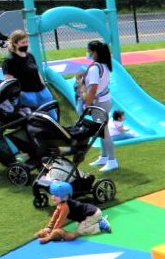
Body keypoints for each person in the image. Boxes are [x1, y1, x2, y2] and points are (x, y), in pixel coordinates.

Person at [1, 30, 56, 120]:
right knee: (36, 119)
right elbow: (10, 82)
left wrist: (43, 85)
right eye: (23, 42)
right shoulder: (9, 61)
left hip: (41, 91)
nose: (25, 44)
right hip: (27, 93)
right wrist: (22, 94)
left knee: (52, 116)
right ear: (15, 44)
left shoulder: (29, 56)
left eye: (26, 42)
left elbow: (36, 71)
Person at [81, 40, 118, 171]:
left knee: (104, 131)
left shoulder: (95, 68)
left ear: (94, 52)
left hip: (100, 102)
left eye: (89, 51)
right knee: (100, 130)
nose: (88, 53)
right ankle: (104, 156)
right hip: (105, 100)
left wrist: (87, 104)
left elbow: (93, 88)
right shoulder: (104, 65)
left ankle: (112, 160)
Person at [35, 180, 112, 243]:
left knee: (80, 231)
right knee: (79, 225)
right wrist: (49, 227)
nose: (52, 197)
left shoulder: (65, 207)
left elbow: (60, 220)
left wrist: (52, 232)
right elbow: (56, 215)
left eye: (56, 195)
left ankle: (100, 226)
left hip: (93, 214)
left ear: (65, 197)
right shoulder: (61, 204)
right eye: (52, 194)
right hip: (87, 215)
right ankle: (96, 221)